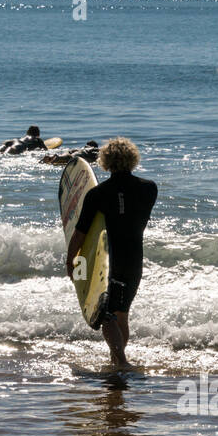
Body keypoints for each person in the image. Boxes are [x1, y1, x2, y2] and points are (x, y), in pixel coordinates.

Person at [65, 138, 158, 369]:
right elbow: (128, 210)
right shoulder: (149, 188)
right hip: (135, 257)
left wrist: (71, 259)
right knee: (122, 312)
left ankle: (121, 361)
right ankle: (116, 360)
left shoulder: (97, 194)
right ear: (133, 159)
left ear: (105, 161)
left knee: (107, 314)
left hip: (109, 258)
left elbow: (81, 233)